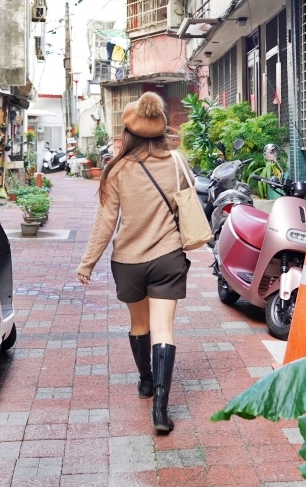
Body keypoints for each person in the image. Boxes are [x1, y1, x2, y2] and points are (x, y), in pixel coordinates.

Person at [76, 92, 186, 434]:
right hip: (168, 256)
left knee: (141, 325)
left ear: (129, 133)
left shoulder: (117, 169)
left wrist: (87, 262)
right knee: (164, 329)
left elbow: (105, 222)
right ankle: (161, 411)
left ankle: (145, 380)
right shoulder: (178, 162)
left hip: (128, 262)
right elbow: (189, 199)